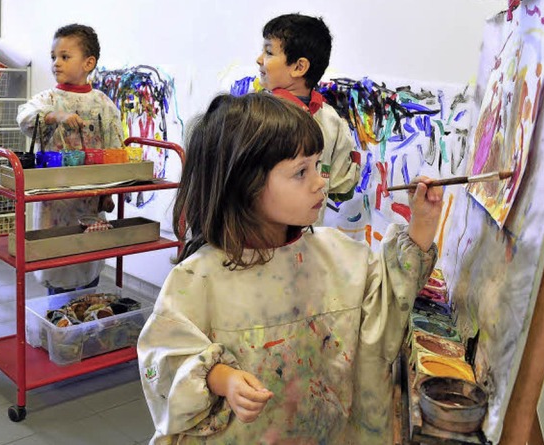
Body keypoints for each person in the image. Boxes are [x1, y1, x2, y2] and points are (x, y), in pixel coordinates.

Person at [137, 93, 443, 444]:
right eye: (301, 172)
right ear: (245, 184)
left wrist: (421, 227)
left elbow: (385, 304)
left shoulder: (336, 255)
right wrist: (222, 378)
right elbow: (163, 361)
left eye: (318, 166)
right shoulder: (199, 277)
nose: (319, 183)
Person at [16, 23, 123, 295]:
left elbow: (115, 148)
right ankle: (58, 324)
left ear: (89, 63)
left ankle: (82, 321)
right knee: (58, 258)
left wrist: (110, 191)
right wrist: (55, 116)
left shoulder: (104, 105)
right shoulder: (48, 98)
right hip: (56, 201)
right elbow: (25, 117)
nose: (56, 63)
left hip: (91, 198)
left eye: (65, 56)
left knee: (89, 256)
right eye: (53, 57)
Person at [256, 13, 361, 226]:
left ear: (299, 67)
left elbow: (341, 189)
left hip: (299, 244)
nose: (259, 59)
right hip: (258, 241)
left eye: (268, 52)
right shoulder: (253, 116)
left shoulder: (331, 122)